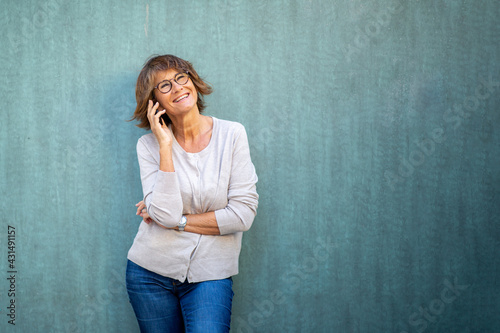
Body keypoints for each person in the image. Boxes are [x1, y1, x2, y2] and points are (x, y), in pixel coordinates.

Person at [126, 54, 259, 333]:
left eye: (180, 77)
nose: (177, 88)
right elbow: (164, 212)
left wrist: (178, 222)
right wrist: (165, 146)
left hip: (211, 274)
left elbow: (243, 215)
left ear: (193, 82)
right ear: (154, 102)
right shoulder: (148, 146)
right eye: (164, 86)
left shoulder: (232, 134)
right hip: (149, 273)